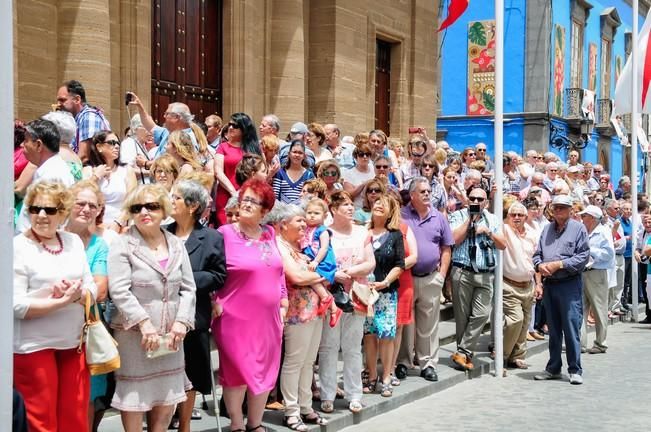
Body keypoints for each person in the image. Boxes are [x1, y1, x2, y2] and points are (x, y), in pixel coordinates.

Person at [108, 184, 197, 431]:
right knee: (134, 400)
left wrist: (182, 321)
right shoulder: (123, 243)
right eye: (137, 208)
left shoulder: (176, 243)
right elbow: (119, 290)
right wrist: (144, 323)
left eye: (152, 206)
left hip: (171, 337)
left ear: (164, 210)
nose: (144, 211)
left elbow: (189, 289)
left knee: (167, 400)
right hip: (135, 337)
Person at [14, 180, 97, 432]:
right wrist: (58, 301)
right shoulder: (17, 247)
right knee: (41, 421)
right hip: (32, 347)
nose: (40, 215)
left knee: (75, 419)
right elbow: (16, 306)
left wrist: (77, 293)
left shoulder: (72, 241)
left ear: (62, 213)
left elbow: (92, 289)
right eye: (34, 209)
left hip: (73, 344)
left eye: (49, 210)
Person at [212, 179, 288, 432]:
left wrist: (284, 299)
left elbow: (278, 271)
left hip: (269, 318)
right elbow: (212, 271)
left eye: (252, 201)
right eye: (244, 199)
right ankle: (236, 424)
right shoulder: (224, 234)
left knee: (264, 371)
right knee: (236, 371)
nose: (245, 204)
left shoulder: (270, 234)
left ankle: (255, 424)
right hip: (234, 316)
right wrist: (213, 300)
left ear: (265, 211)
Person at [167, 180, 227, 432]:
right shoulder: (162, 234)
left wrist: (187, 276)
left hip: (194, 313)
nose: (170, 201)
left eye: (176, 198)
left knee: (190, 372)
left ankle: (185, 425)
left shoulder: (211, 237)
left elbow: (219, 275)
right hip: (164, 312)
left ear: (192, 206)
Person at [318, 191, 375, 414]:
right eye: (345, 205)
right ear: (333, 209)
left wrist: (348, 272)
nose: (351, 208)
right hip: (332, 296)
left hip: (356, 294)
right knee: (329, 346)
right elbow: (321, 263)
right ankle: (327, 393)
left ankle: (354, 394)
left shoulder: (362, 232)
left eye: (352, 204)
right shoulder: (325, 233)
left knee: (352, 347)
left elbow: (370, 263)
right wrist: (335, 275)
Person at [276, 203, 329, 431]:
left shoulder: (297, 246)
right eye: (299, 220)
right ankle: (291, 410)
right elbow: (297, 276)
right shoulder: (280, 246)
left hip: (313, 311)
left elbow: (306, 275)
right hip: (296, 313)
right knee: (294, 362)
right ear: (283, 224)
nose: (304, 224)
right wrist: (322, 274)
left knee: (308, 362)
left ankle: (305, 406)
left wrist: (313, 275)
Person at [396, 177, 453, 382]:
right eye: (422, 191)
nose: (427, 194)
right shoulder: (401, 216)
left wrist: (442, 275)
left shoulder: (439, 217)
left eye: (429, 191)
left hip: (431, 278)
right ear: (412, 195)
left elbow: (446, 248)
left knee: (428, 324)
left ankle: (427, 363)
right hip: (406, 278)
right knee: (405, 322)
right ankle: (402, 361)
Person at [64, 180, 111, 431]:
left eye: (92, 205)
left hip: (87, 333)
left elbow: (101, 291)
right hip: (52, 330)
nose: (86, 209)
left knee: (88, 396)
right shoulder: (53, 236)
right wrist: (83, 289)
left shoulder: (99, 245)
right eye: (80, 203)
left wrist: (63, 293)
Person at [533, 195, 590, 385]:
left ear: (570, 210)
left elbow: (583, 257)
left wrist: (560, 264)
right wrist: (540, 265)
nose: (558, 211)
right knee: (554, 329)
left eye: (563, 207)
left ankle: (575, 369)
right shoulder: (546, 229)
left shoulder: (578, 228)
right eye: (556, 207)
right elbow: (537, 254)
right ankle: (553, 367)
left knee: (571, 326)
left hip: (569, 284)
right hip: (550, 285)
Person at [448, 186, 507, 371]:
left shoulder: (493, 219)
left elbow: (503, 245)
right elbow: (453, 239)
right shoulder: (458, 216)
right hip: (462, 271)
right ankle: (465, 356)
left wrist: (488, 231)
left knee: (481, 314)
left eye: (479, 199)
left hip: (485, 273)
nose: (475, 202)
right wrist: (469, 221)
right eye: (472, 198)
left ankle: (462, 352)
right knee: (462, 317)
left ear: (486, 202)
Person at [363, 194, 405, 397]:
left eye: (384, 204)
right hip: (364, 294)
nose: (379, 205)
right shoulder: (363, 232)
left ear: (390, 212)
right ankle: (371, 376)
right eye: (377, 202)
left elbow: (400, 265)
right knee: (369, 336)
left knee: (387, 335)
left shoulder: (395, 235)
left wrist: (385, 282)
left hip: (386, 293)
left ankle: (386, 376)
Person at [16, 119, 76, 233]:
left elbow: (48, 219)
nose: (21, 144)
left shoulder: (51, 175)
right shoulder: (50, 169)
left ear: (38, 145)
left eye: (26, 140)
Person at [502, 202, 540, 369]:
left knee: (525, 323)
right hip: (509, 284)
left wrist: (539, 284)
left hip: (528, 284)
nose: (516, 218)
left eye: (520, 215)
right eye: (513, 214)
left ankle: (517, 356)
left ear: (526, 217)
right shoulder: (505, 230)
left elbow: (537, 260)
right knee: (515, 320)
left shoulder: (532, 234)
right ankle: (502, 354)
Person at [578, 205, 615, 354]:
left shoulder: (603, 232)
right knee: (580, 309)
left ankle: (600, 343)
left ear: (592, 218)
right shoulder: (583, 230)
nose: (582, 218)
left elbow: (609, 254)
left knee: (599, 309)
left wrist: (589, 249)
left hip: (597, 273)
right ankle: (580, 343)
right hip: (582, 272)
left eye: (584, 216)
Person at [83, 130, 138, 231]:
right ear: (99, 147)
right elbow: (80, 195)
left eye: (118, 143)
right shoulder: (89, 170)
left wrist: (118, 223)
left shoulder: (126, 170)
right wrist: (96, 177)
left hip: (120, 226)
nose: (116, 146)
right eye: (112, 143)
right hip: (93, 227)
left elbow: (132, 201)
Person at [213, 113, 261, 225]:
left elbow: (260, 171)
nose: (230, 128)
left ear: (244, 129)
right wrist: (233, 192)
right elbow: (218, 172)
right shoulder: (223, 147)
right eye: (229, 124)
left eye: (235, 126)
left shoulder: (254, 148)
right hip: (226, 195)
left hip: (249, 194)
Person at [302, 197, 341, 325]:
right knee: (319, 285)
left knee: (313, 281)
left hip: (323, 261)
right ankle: (334, 309)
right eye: (309, 213)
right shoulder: (306, 228)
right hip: (314, 260)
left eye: (316, 213)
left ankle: (325, 299)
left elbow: (324, 248)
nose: (312, 216)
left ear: (324, 216)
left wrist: (316, 262)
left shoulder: (322, 231)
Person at [56, 80, 111, 161]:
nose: (58, 104)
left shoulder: (89, 117)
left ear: (77, 99)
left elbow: (85, 156)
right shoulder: (79, 118)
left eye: (62, 100)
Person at [343, 143, 376, 208]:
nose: (365, 157)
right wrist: (364, 184)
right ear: (356, 157)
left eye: (367, 154)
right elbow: (349, 195)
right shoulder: (349, 173)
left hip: (374, 207)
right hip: (358, 209)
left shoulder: (375, 169)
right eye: (361, 155)